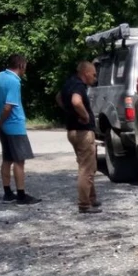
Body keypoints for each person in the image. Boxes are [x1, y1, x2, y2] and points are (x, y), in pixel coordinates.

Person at [0, 54, 40, 204]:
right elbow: (8, 106)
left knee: (7, 159)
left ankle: (7, 193)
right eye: (25, 65)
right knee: (19, 161)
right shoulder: (13, 81)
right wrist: (1, 120)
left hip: (2, 126)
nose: (26, 68)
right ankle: (21, 196)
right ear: (21, 65)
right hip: (14, 125)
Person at [57, 61, 102, 214]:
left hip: (72, 131)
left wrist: (69, 112)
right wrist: (85, 116)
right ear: (85, 73)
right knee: (86, 169)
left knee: (89, 165)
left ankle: (92, 197)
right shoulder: (78, 86)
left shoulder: (68, 83)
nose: (95, 77)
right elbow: (76, 101)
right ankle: (84, 204)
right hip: (83, 132)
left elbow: (58, 97)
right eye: (94, 74)